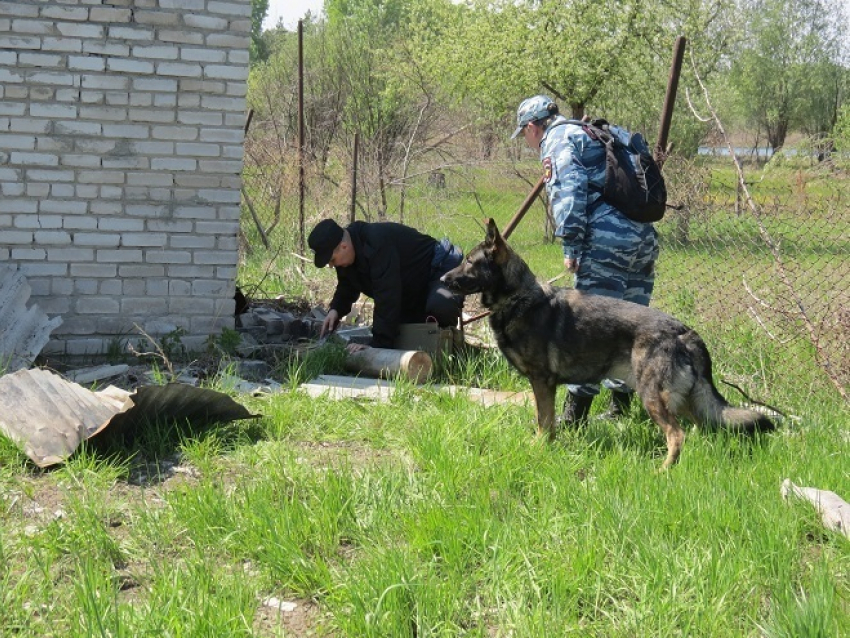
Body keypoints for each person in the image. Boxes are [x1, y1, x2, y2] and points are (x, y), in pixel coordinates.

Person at [511, 95, 659, 424]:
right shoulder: (592, 132)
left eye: (524, 133)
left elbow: (570, 189)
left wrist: (572, 245)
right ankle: (621, 411)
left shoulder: (559, 139)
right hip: (643, 238)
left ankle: (574, 420)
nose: (527, 141)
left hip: (606, 242)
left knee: (589, 330)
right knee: (629, 325)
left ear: (533, 127)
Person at [308, 218, 464, 352]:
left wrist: (378, 345)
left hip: (438, 270)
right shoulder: (348, 257)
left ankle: (450, 349)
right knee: (404, 335)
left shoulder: (376, 243)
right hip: (411, 287)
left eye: (332, 260)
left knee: (440, 306)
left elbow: (387, 296)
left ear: (344, 246)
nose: (331, 266)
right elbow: (347, 286)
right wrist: (335, 310)